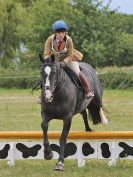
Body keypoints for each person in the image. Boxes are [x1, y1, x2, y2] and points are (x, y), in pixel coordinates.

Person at [43, 20, 94, 98]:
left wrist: (64, 61)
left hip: (68, 59)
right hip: (54, 60)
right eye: (59, 33)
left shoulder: (68, 40)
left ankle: (88, 90)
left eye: (63, 32)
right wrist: (50, 60)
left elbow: (70, 54)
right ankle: (44, 95)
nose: (61, 35)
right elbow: (46, 54)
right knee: (46, 73)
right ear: (55, 33)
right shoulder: (50, 40)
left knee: (77, 71)